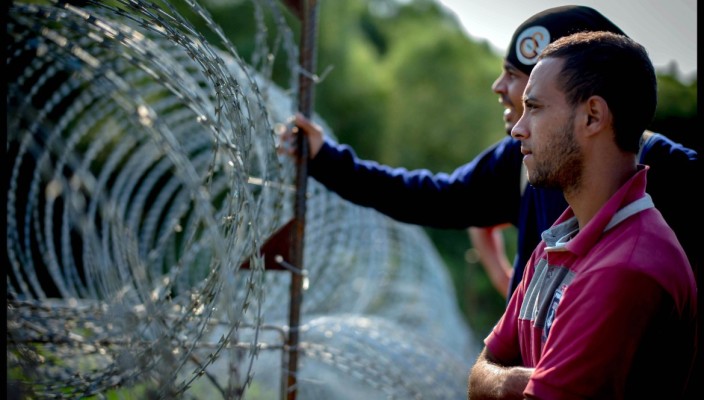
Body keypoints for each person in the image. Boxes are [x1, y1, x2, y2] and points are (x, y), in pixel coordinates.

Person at [466, 30, 697, 399]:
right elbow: (479, 371)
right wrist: (516, 383)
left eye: (535, 107)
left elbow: (490, 378)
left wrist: (506, 382)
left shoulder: (626, 268)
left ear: (592, 117)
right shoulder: (557, 241)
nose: (519, 129)